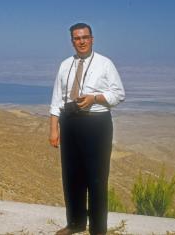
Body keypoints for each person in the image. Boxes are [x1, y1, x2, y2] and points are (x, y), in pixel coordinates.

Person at [49, 23, 125, 235]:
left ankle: (98, 229)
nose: (81, 41)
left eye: (85, 37)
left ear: (92, 39)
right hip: (70, 121)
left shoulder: (105, 64)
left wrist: (95, 98)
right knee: (71, 176)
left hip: (96, 123)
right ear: (71, 41)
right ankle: (75, 223)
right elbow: (56, 99)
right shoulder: (65, 65)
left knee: (97, 178)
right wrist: (54, 128)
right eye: (76, 38)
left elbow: (119, 94)